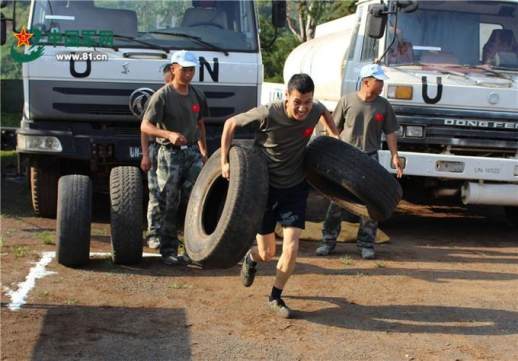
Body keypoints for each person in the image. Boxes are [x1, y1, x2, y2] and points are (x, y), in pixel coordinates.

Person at [221, 73, 340, 318]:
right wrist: (224, 161)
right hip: (265, 189)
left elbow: (324, 112)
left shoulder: (314, 109)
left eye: (307, 102)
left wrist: (334, 136)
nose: (302, 108)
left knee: (292, 247)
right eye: (297, 101)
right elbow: (230, 124)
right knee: (267, 253)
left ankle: (275, 296)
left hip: (295, 188)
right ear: (286, 96)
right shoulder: (268, 113)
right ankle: (251, 257)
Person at [315, 63, 403, 260]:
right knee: (336, 202)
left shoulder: (383, 105)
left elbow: (390, 132)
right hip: (345, 158)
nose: (381, 85)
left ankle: (366, 244)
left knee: (369, 205)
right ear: (366, 82)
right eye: (378, 81)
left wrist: (395, 155)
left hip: (370, 159)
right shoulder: (347, 101)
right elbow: (332, 127)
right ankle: (327, 242)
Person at [141, 50, 209, 265]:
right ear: (173, 69)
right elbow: (145, 125)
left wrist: (204, 150)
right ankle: (168, 248)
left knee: (197, 199)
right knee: (169, 202)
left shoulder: (197, 95)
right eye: (185, 70)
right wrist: (168, 134)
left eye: (192, 70)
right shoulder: (162, 96)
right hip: (169, 154)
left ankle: (194, 249)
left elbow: (200, 124)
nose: (189, 74)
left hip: (192, 153)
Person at [140, 64, 173, 249]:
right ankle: (153, 233)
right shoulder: (157, 98)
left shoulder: (182, 97)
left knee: (173, 194)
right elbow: (144, 130)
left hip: (174, 152)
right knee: (156, 193)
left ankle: (170, 234)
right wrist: (145, 155)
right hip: (156, 148)